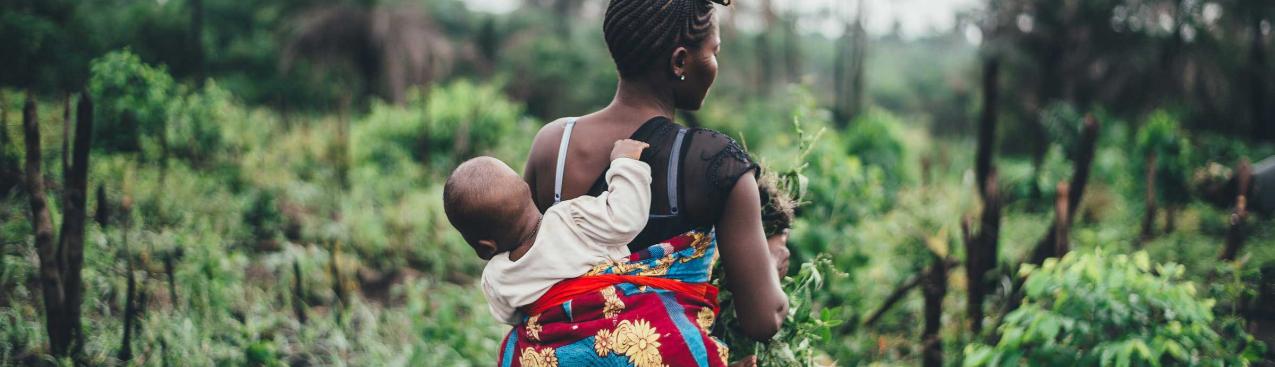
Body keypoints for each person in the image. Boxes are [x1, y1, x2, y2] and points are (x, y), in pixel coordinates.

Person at [503, 0, 791, 365]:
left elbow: (521, 265)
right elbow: (763, 320)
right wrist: (771, 256)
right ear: (680, 61)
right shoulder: (717, 163)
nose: (715, 64)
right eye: (713, 51)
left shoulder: (553, 146)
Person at [441, 140, 654, 324]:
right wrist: (625, 163)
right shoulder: (571, 218)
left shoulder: (496, 278)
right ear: (527, 189)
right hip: (624, 322)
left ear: (485, 247)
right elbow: (627, 218)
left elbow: (511, 319)